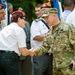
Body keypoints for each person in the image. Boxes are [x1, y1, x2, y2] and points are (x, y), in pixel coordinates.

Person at [33, 8, 75, 75]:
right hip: (56, 68)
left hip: (68, 67)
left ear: (54, 16)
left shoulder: (67, 28)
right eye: (44, 18)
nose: (46, 20)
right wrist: (33, 52)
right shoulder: (50, 32)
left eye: (47, 17)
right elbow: (44, 47)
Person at [0, 10, 34, 75]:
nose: (25, 22)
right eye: (24, 19)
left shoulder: (5, 28)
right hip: (10, 58)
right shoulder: (19, 30)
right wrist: (31, 52)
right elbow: (23, 52)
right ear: (18, 19)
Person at [31, 3, 53, 75]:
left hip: (51, 54)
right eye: (43, 10)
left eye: (47, 10)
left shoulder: (53, 24)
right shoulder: (36, 23)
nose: (44, 12)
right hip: (40, 55)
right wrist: (51, 37)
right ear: (40, 12)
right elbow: (36, 36)